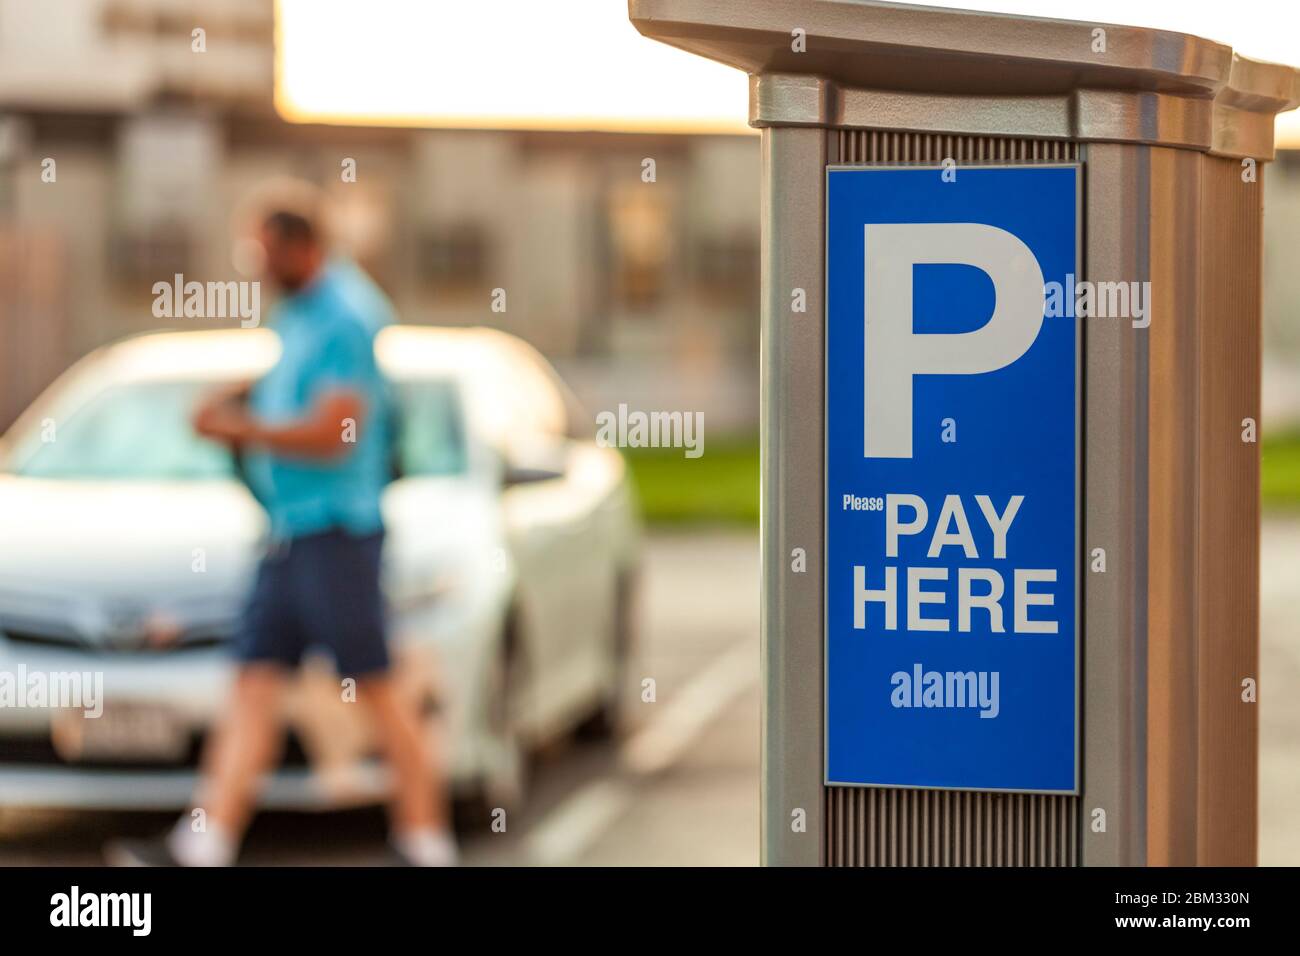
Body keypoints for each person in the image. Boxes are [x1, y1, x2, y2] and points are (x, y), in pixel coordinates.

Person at [108, 202, 455, 867]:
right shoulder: (298, 312)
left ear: (300, 247)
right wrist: (237, 395)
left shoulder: (348, 315)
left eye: (263, 255)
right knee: (253, 684)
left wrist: (239, 430)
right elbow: (286, 382)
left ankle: (424, 837)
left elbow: (335, 431)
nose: (259, 269)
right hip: (287, 534)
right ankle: (205, 842)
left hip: (337, 533)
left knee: (376, 685)